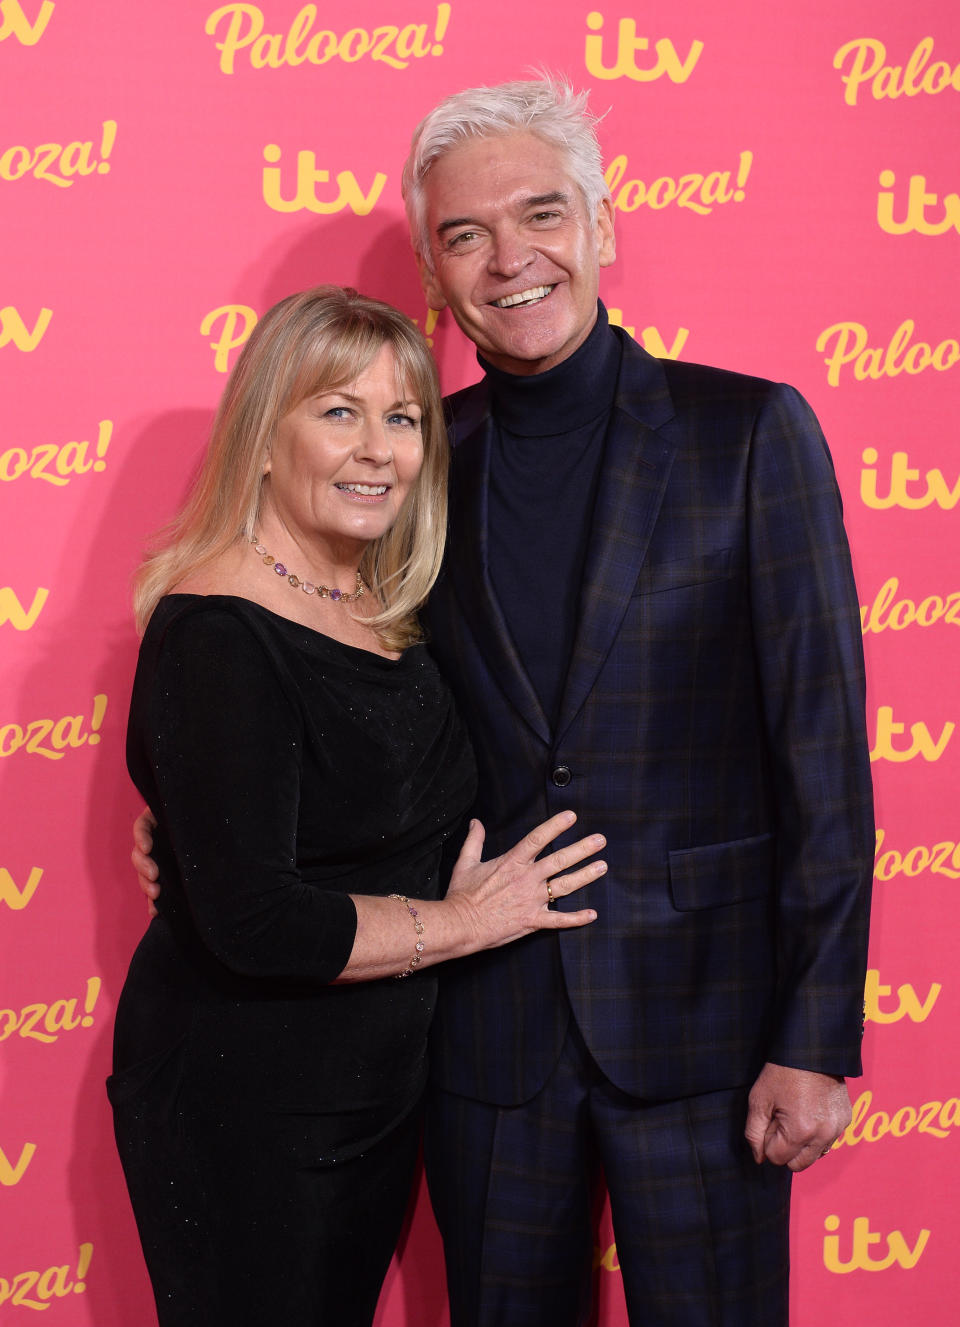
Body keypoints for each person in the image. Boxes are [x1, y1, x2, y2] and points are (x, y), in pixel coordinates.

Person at [135, 79, 874, 1326]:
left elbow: (824, 759)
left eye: (540, 214)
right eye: (464, 235)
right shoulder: (415, 463)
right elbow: (314, 680)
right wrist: (195, 823)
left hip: (702, 1034)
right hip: (481, 1042)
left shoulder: (748, 435)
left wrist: (815, 1035)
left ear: (602, 225)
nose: (508, 258)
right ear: (434, 266)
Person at [111, 284, 606, 1327]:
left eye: (404, 417)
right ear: (261, 437)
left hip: (365, 1092)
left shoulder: (375, 603)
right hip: (247, 1103)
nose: (376, 448)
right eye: (338, 411)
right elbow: (259, 920)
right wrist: (470, 921)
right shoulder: (221, 630)